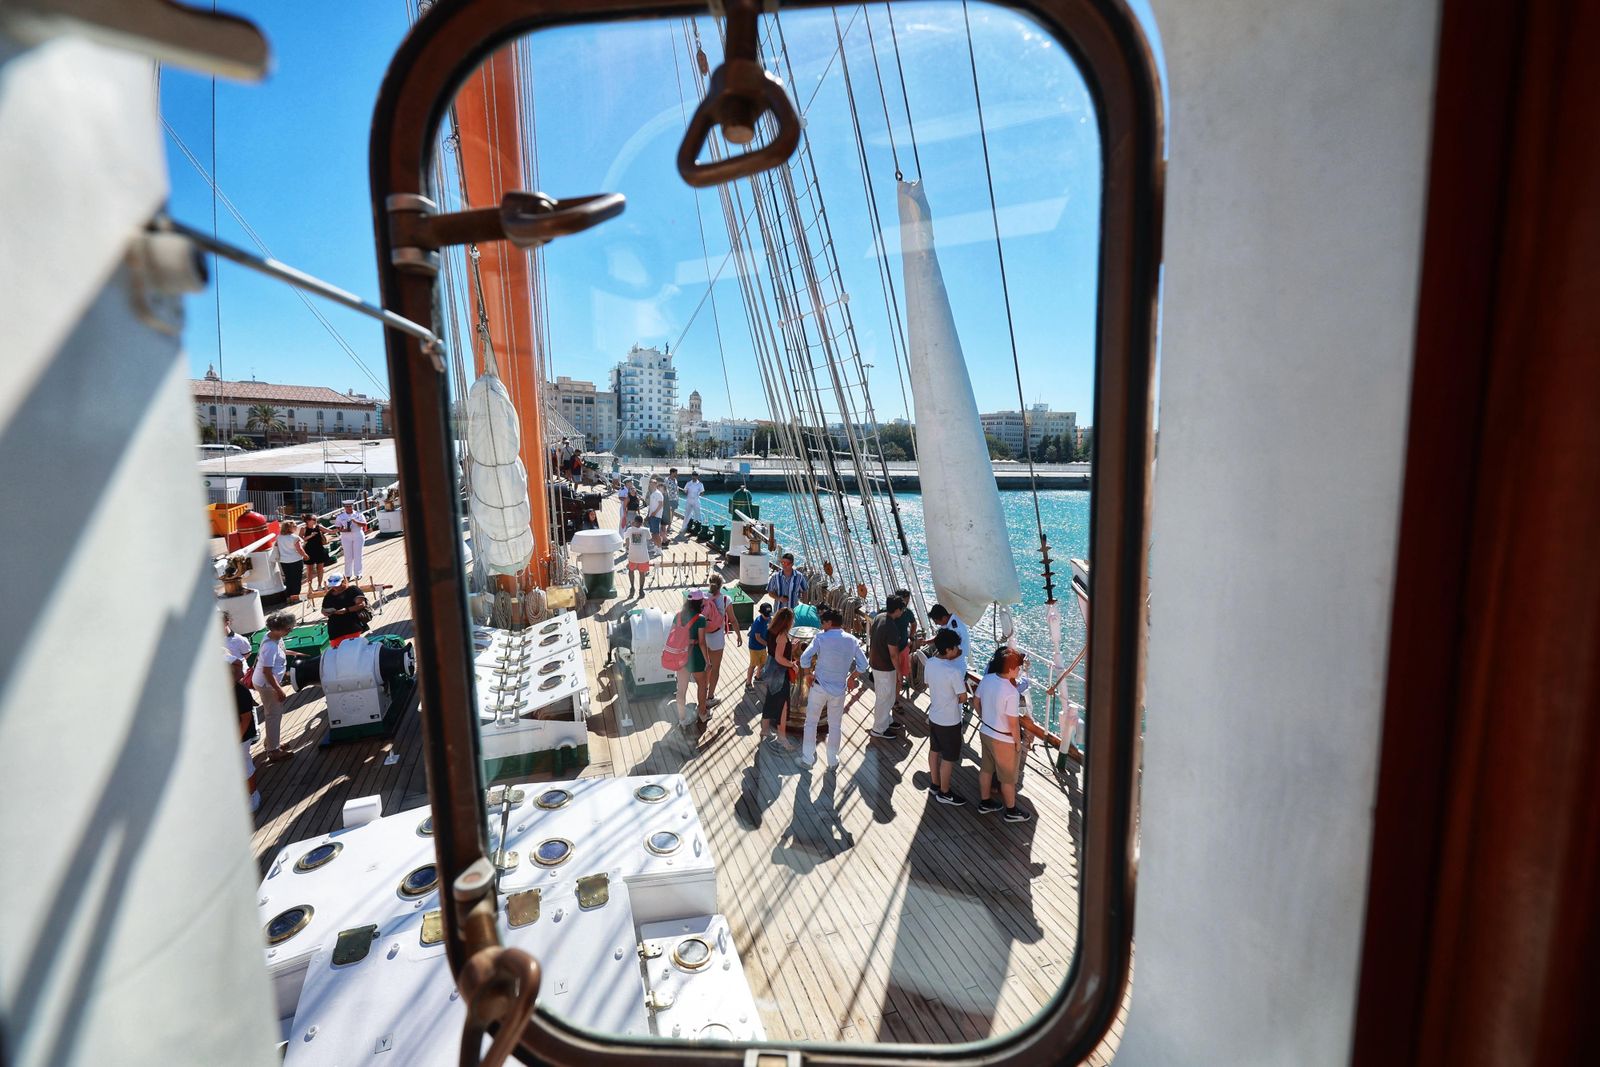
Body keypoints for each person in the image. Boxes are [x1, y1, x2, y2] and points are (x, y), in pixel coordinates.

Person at [798, 609, 869, 769]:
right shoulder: (852, 640)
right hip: (839, 690)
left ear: (829, 623)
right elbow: (863, 665)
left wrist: (808, 674)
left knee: (811, 723)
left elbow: (804, 658)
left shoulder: (820, 638)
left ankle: (807, 759)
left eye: (823, 623)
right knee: (835, 725)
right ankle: (832, 760)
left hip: (819, 687)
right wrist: (852, 678)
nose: (822, 626)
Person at [974, 647, 1031, 822]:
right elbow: (1013, 723)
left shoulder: (988, 679)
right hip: (1003, 738)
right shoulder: (1011, 692)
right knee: (1008, 779)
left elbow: (976, 701)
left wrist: (984, 717)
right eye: (1018, 667)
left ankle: (985, 802)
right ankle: (1011, 811)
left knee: (986, 769)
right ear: (1011, 668)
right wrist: (1017, 742)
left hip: (986, 731)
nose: (1019, 670)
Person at [923, 629, 970, 806]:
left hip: (934, 715)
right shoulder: (953, 672)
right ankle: (944, 792)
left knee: (934, 751)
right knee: (949, 758)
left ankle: (935, 784)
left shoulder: (930, 663)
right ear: (948, 649)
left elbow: (928, 683)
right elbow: (963, 697)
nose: (957, 650)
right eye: (955, 647)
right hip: (950, 720)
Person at [252, 611, 304, 764]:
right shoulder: (270, 647)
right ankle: (273, 751)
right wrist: (278, 690)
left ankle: (271, 741)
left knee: (273, 714)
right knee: (273, 715)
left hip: (266, 683)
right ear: (280, 629)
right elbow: (267, 671)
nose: (290, 631)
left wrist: (296, 653)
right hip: (267, 685)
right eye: (289, 628)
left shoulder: (273, 637)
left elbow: (280, 653)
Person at [866, 595, 909, 740]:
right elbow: (894, 655)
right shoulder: (891, 627)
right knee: (884, 697)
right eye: (902, 609)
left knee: (888, 696)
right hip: (885, 667)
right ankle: (878, 729)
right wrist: (899, 673)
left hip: (876, 663)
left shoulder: (880, 617)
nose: (903, 612)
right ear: (897, 610)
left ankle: (887, 721)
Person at [701, 573, 742, 711]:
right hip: (717, 638)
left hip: (703, 636)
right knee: (715, 668)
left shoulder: (703, 597)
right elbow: (733, 619)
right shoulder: (726, 599)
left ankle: (703, 692)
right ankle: (710, 697)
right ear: (721, 585)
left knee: (706, 666)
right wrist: (738, 635)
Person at [759, 606, 797, 750]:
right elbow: (779, 657)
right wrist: (792, 665)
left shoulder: (771, 630)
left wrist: (790, 648)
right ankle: (782, 737)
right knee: (783, 705)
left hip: (771, 670)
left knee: (770, 699)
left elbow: (774, 650)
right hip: (780, 673)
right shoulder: (782, 635)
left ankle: (765, 729)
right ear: (788, 621)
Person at [672, 591, 711, 727]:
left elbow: (673, 635)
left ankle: (682, 719)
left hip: (680, 656)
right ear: (698, 602)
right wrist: (707, 661)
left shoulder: (677, 616)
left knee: (681, 689)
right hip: (695, 656)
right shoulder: (700, 619)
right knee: (702, 685)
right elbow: (701, 642)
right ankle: (702, 713)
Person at [222, 612, 257, 743]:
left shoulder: (239, 639)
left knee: (249, 703)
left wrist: (237, 668)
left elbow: (247, 653)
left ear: (227, 622)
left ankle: (254, 730)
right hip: (229, 677)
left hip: (240, 675)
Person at [322, 574, 370, 646]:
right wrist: (325, 612)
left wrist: (346, 610)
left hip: (351, 626)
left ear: (343, 581)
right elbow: (323, 609)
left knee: (353, 649)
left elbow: (361, 604)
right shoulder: (329, 595)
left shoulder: (353, 590)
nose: (335, 587)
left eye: (337, 585)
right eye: (333, 586)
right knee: (337, 652)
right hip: (335, 629)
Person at [927, 603, 971, 668]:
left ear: (944, 618)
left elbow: (959, 652)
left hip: (957, 660)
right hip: (951, 654)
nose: (936, 623)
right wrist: (926, 642)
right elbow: (939, 637)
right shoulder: (948, 620)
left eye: (936, 621)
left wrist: (940, 660)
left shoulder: (954, 629)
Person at [333, 501, 369, 578]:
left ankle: (358, 573)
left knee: (358, 555)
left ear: (353, 506)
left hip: (358, 534)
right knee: (348, 556)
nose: (349, 508)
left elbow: (364, 524)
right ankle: (348, 575)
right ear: (344, 507)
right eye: (347, 506)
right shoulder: (340, 516)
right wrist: (343, 530)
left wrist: (355, 521)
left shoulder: (359, 514)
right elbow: (338, 527)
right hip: (346, 536)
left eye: (350, 506)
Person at [275, 520, 306, 603]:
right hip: (295, 560)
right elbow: (299, 549)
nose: (296, 527)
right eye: (294, 526)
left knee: (288, 579)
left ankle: (289, 597)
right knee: (296, 579)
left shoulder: (279, 537)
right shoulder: (295, 538)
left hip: (284, 561)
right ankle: (295, 597)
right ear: (289, 528)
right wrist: (305, 556)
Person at [300, 513, 332, 591]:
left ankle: (319, 585)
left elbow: (330, 531)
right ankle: (310, 587)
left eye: (315, 519)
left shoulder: (318, 526)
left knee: (320, 569)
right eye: (313, 519)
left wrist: (340, 529)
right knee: (309, 570)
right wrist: (310, 536)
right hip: (309, 551)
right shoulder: (303, 529)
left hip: (319, 550)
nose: (315, 521)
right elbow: (300, 539)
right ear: (307, 521)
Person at [624, 513, 653, 597]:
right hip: (643, 557)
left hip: (632, 556)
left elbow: (625, 536)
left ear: (634, 522)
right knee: (642, 574)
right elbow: (649, 538)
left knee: (631, 571)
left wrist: (631, 526)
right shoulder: (646, 530)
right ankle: (641, 590)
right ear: (642, 522)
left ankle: (632, 587)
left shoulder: (630, 529)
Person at [745, 601, 772, 688]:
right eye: (765, 615)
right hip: (755, 647)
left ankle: (758, 676)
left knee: (763, 662)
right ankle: (748, 683)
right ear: (760, 613)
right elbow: (758, 637)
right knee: (753, 665)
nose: (767, 616)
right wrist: (768, 644)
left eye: (768, 614)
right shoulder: (758, 622)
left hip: (762, 647)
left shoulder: (769, 619)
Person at [646, 478, 665, 546]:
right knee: (653, 533)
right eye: (650, 483)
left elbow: (661, 504)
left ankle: (659, 548)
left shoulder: (658, 493)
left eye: (653, 483)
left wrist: (654, 512)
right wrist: (649, 514)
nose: (651, 485)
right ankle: (656, 547)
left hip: (656, 516)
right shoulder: (653, 493)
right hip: (652, 515)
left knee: (656, 533)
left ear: (656, 484)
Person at [663, 467, 680, 536]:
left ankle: (669, 526)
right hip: (668, 499)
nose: (677, 474)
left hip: (674, 499)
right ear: (672, 473)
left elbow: (677, 489)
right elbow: (664, 489)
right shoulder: (667, 480)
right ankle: (664, 527)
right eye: (676, 473)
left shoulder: (675, 480)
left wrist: (678, 498)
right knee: (667, 513)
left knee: (672, 513)